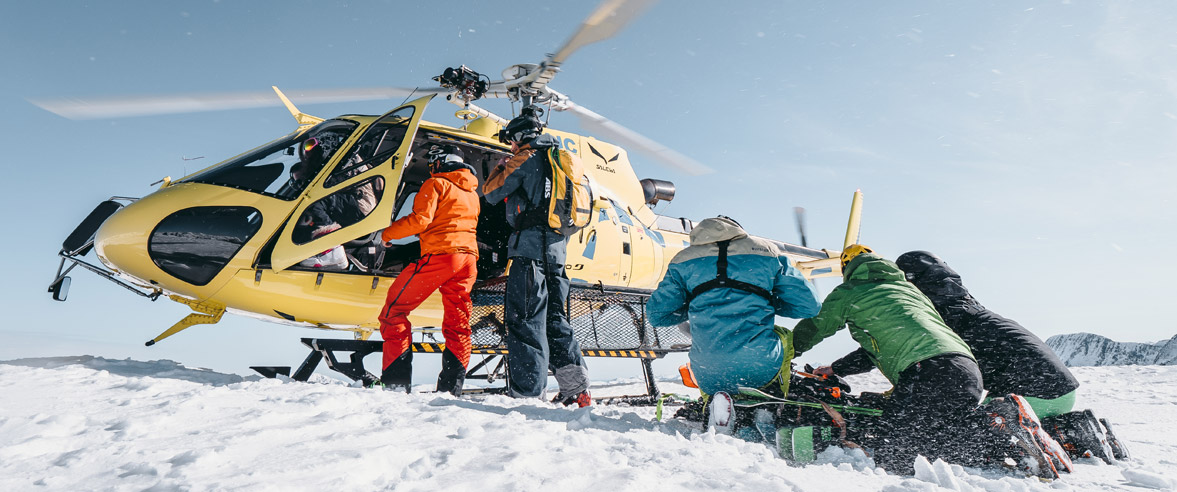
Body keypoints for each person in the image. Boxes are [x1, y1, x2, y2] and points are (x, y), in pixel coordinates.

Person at [792, 245, 983, 475]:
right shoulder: (909, 291)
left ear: (847, 267)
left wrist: (785, 353)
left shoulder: (852, 290)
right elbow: (878, 350)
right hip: (967, 368)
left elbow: (815, 327)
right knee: (941, 445)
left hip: (926, 370)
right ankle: (1000, 429)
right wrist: (835, 368)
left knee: (893, 454)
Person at [481, 107, 591, 406]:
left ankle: (528, 396)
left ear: (518, 137)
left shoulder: (525, 158)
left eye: (511, 141)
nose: (511, 147)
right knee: (556, 320)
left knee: (525, 321)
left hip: (529, 254)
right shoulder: (564, 162)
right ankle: (577, 389)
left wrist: (501, 166)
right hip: (557, 255)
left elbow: (491, 193)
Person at [646, 216, 821, 401]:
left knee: (707, 355)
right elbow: (810, 306)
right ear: (738, 230)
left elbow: (657, 316)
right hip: (759, 365)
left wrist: (695, 304)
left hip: (708, 371)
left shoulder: (682, 260)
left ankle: (711, 405)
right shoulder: (766, 251)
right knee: (784, 335)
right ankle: (775, 401)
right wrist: (766, 301)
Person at [895, 251, 1080, 419]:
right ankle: (1069, 431)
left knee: (961, 429)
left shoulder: (940, 316)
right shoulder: (967, 308)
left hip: (1030, 396)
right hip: (1061, 392)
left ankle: (1012, 429)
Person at [377, 144, 480, 395]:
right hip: (468, 261)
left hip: (443, 256)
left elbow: (420, 220)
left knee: (394, 312)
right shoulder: (471, 192)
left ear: (440, 162)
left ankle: (396, 382)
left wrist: (386, 234)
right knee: (458, 324)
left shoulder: (436, 184)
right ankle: (451, 387)